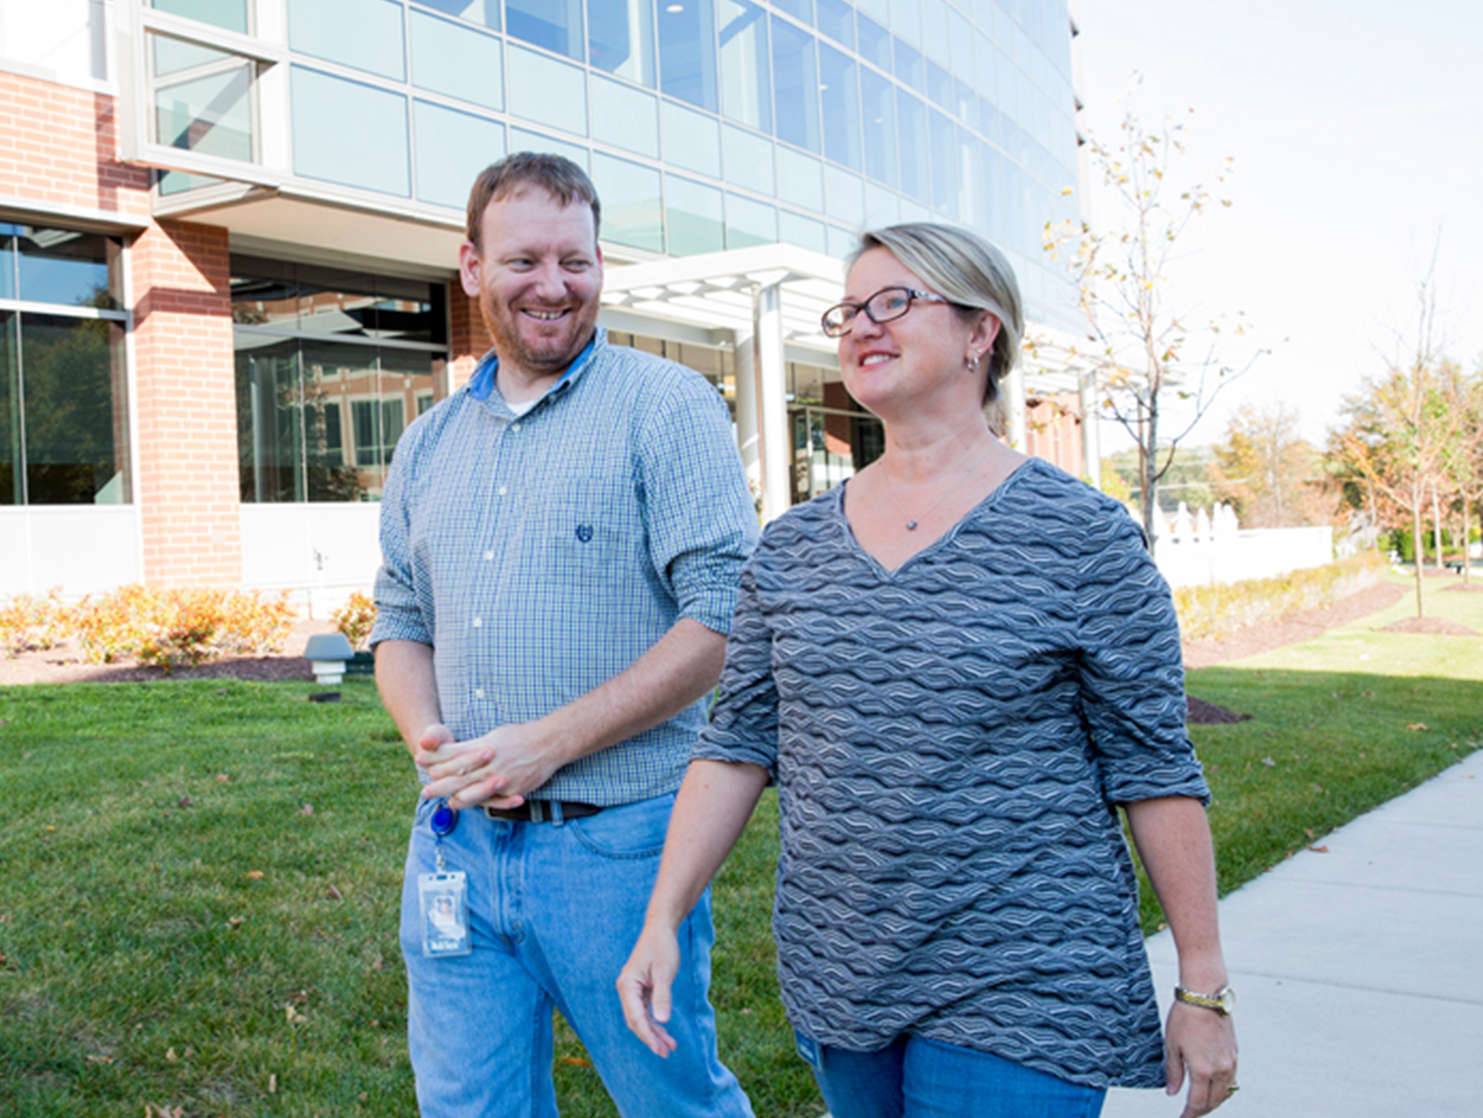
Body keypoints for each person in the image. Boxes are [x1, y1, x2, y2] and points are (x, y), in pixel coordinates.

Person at [617, 223, 1240, 1118]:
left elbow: (1154, 767)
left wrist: (1203, 984)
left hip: (1027, 971)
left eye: (895, 302)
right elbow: (738, 745)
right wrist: (662, 917)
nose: (862, 326)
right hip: (844, 968)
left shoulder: (1083, 539)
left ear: (981, 332)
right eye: (849, 311)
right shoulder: (789, 549)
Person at [370, 152, 758, 1118]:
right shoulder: (427, 442)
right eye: (524, 261)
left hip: (617, 851)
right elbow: (399, 618)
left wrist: (549, 744)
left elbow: (726, 609)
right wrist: (430, 738)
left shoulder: (665, 407)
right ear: (471, 267)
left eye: (575, 262)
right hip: (455, 847)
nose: (553, 286)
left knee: (674, 1102)